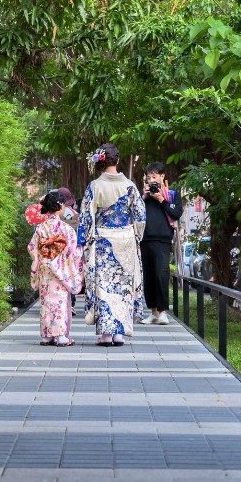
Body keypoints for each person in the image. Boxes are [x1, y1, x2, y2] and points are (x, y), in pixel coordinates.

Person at [77, 143, 146, 346]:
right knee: (124, 285)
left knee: (104, 287)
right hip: (125, 240)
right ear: (117, 160)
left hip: (103, 242)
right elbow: (141, 216)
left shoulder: (95, 186)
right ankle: (120, 334)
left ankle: (107, 334)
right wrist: (135, 236)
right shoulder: (130, 186)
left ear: (101, 162)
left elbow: (86, 218)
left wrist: (85, 241)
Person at [27, 191, 83, 346]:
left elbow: (32, 247)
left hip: (45, 268)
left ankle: (46, 335)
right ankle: (60, 336)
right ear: (60, 206)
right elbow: (72, 251)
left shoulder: (40, 228)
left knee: (46, 301)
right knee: (59, 302)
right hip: (60, 270)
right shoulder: (66, 228)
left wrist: (43, 257)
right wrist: (81, 252)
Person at [139, 162, 184, 325]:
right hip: (144, 240)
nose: (151, 180)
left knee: (161, 274)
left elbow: (177, 213)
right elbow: (131, 212)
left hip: (163, 240)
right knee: (149, 277)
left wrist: (161, 200)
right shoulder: (142, 196)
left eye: (154, 176)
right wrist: (143, 197)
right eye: (148, 177)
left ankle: (163, 312)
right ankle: (153, 312)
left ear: (162, 177)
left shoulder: (172, 195)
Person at [54, 186, 80, 315]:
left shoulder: (54, 213)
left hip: (57, 251)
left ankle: (59, 303)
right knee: (70, 275)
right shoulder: (74, 214)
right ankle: (72, 304)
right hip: (71, 249)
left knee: (59, 278)